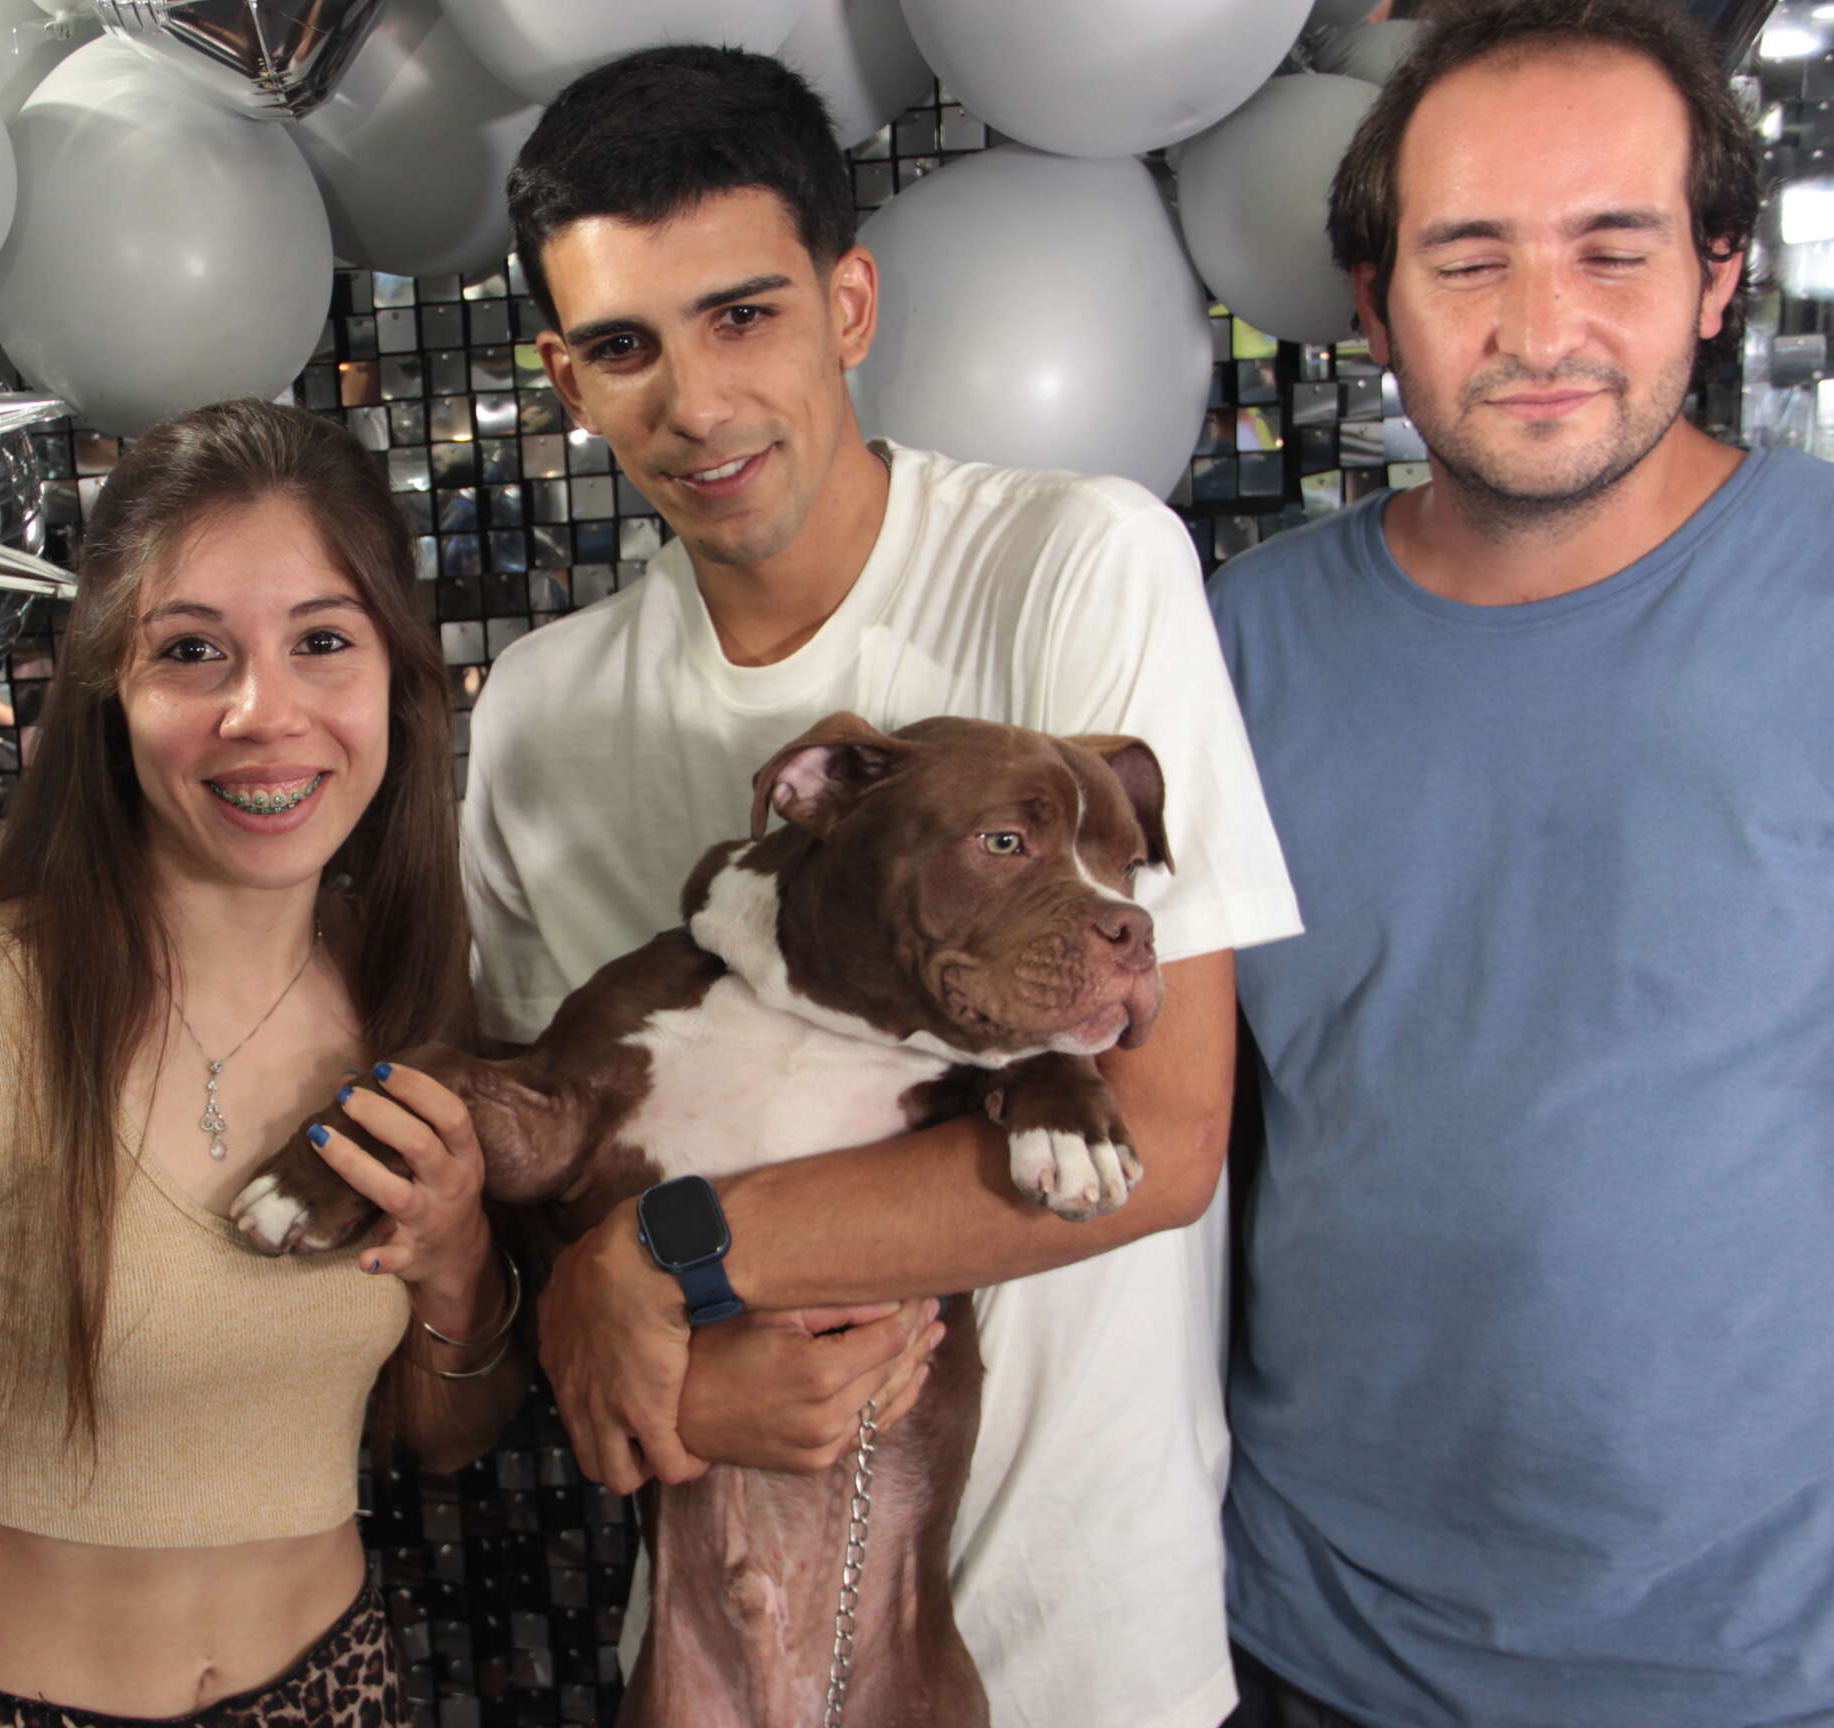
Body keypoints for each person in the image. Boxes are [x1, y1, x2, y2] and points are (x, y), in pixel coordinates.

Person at [471, 45, 1304, 1728]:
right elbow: (545, 1166)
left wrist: (666, 1256)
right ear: (564, 378)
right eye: (625, 347)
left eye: (743, 315)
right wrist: (635, 1320)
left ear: (848, 305)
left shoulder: (1076, 561)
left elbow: (1159, 1142)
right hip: (722, 1647)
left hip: (1080, 1652)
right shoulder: (539, 714)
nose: (696, 404)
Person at [1208, 4, 1833, 1724]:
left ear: (1715, 277)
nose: (1540, 329)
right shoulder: (1232, 648)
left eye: (1610, 251)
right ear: (1373, 302)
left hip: (1765, 1668)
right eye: (1470, 259)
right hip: (1313, 1644)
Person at [0, 398, 524, 1728]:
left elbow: (445, 1439)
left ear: (395, 677)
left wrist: (459, 1260)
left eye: (323, 642)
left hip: (342, 1692)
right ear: (112, 692)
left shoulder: (409, 997)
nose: (266, 712)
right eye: (193, 652)